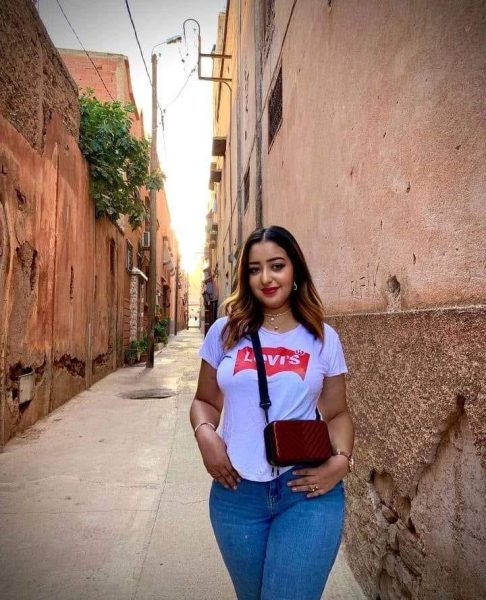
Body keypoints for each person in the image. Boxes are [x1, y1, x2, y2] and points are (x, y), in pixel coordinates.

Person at [190, 225, 355, 600]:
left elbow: (337, 414)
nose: (265, 278)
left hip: (306, 491)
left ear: (295, 270)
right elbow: (205, 401)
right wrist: (205, 436)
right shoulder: (224, 333)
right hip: (236, 494)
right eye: (254, 269)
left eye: (276, 265)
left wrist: (342, 461)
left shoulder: (323, 338)